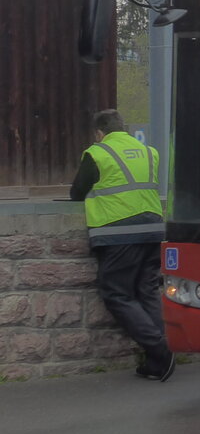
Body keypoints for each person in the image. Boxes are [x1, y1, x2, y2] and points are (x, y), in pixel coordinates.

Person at [70, 109, 174, 382]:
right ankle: (158, 360)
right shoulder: (149, 151)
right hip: (152, 229)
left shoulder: (98, 152)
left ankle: (160, 349)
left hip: (119, 231)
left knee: (116, 293)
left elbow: (77, 192)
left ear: (100, 133)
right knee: (147, 289)